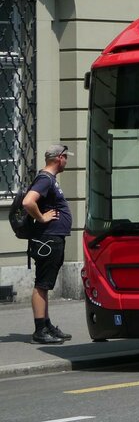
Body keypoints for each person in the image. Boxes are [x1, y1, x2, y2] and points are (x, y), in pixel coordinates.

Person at [22, 143, 74, 345]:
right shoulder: (45, 179)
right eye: (66, 157)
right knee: (42, 284)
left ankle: (47, 324)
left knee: (45, 284)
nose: (67, 161)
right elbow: (28, 202)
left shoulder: (49, 179)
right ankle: (39, 330)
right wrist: (42, 218)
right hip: (48, 238)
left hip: (53, 238)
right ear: (58, 158)